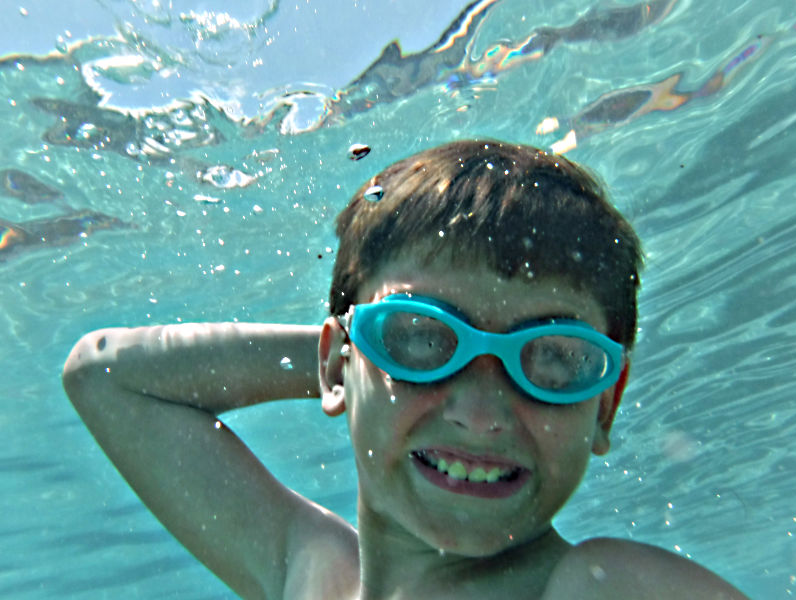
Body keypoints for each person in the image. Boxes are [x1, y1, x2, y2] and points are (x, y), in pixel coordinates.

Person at [62, 140, 747, 599]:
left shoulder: (603, 587)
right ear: (336, 361)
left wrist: (389, 355)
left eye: (556, 359)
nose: (481, 413)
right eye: (422, 341)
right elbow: (105, 375)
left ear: (605, 405)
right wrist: (357, 354)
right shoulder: (317, 577)